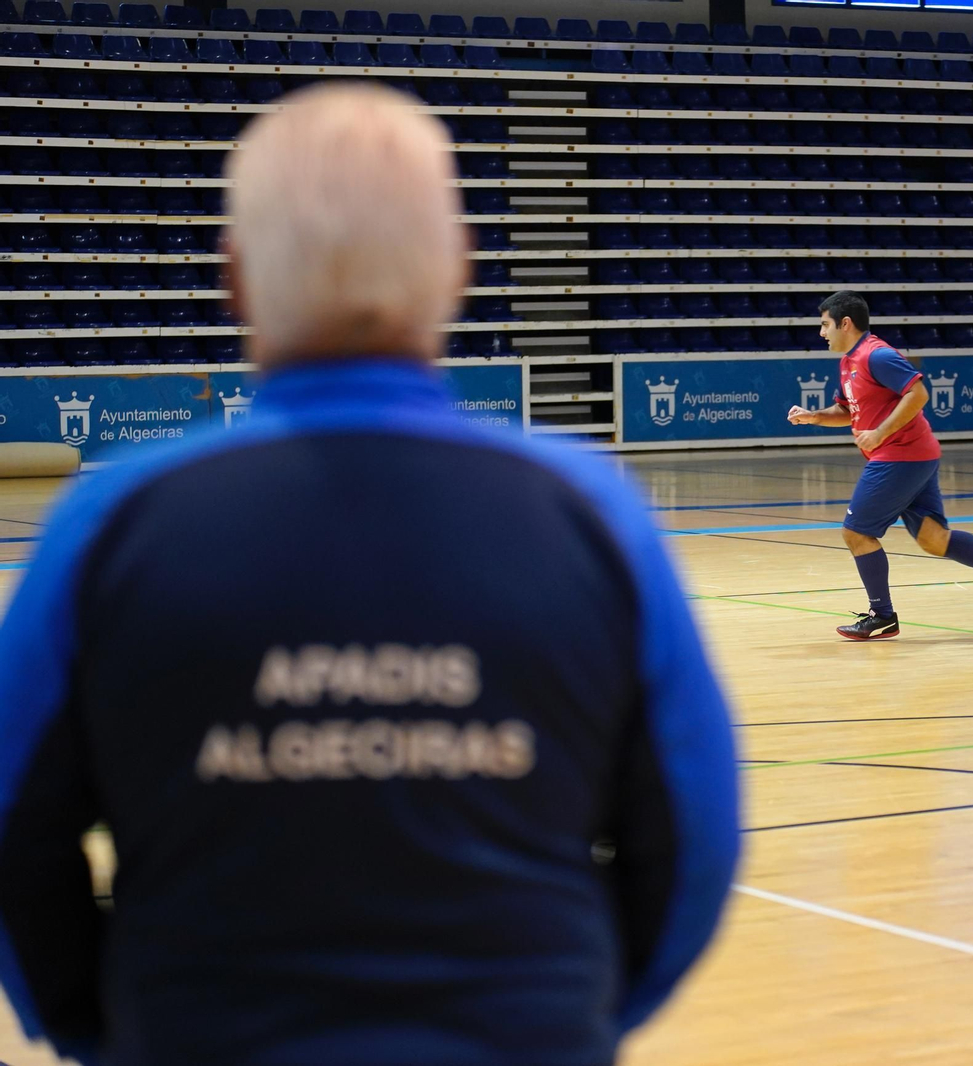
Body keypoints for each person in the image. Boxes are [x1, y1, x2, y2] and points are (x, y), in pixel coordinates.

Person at [0, 85, 740, 1066]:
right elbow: (693, 839)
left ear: (233, 277)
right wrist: (576, 1006)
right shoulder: (589, 514)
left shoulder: (112, 522)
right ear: (459, 269)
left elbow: (14, 827)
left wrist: (102, 1024)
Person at [787, 291, 973, 639]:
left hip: (900, 455)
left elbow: (918, 393)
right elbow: (847, 412)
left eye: (825, 324)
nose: (821, 333)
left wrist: (879, 432)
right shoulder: (848, 362)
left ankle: (882, 615)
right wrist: (813, 416)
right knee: (935, 540)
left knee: (856, 532)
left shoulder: (877, 355)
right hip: (915, 455)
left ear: (846, 323)